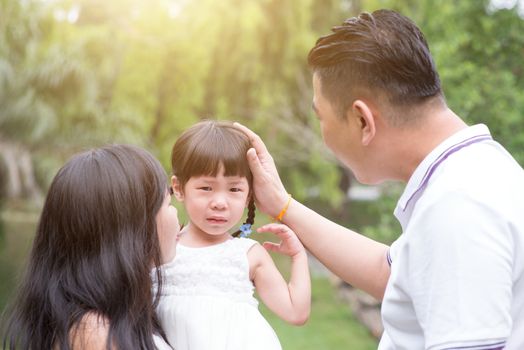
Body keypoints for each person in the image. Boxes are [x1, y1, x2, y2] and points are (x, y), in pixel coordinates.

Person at [234, 8, 524, 350]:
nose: (322, 134)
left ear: (362, 120)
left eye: (321, 117)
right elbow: (394, 276)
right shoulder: (477, 171)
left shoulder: (457, 207)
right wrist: (283, 206)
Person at [2, 145, 179, 350]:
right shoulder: (94, 334)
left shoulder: (107, 321)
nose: (176, 215)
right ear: (132, 229)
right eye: (168, 203)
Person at [154, 120, 310, 350]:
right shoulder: (162, 248)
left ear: (249, 195)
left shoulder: (247, 255)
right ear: (178, 188)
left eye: (234, 189)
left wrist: (298, 256)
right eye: (206, 188)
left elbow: (295, 311)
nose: (219, 203)